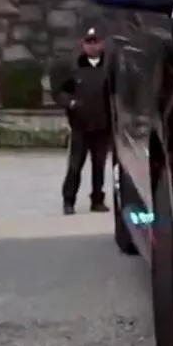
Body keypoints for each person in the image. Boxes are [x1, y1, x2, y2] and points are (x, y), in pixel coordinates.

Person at [55, 28, 111, 215]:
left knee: (99, 167)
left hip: (102, 126)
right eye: (89, 42)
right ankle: (68, 200)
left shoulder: (109, 69)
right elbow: (61, 92)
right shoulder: (75, 69)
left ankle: (97, 200)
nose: (92, 45)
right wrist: (70, 103)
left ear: (102, 44)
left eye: (95, 42)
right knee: (75, 166)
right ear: (83, 44)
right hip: (80, 126)